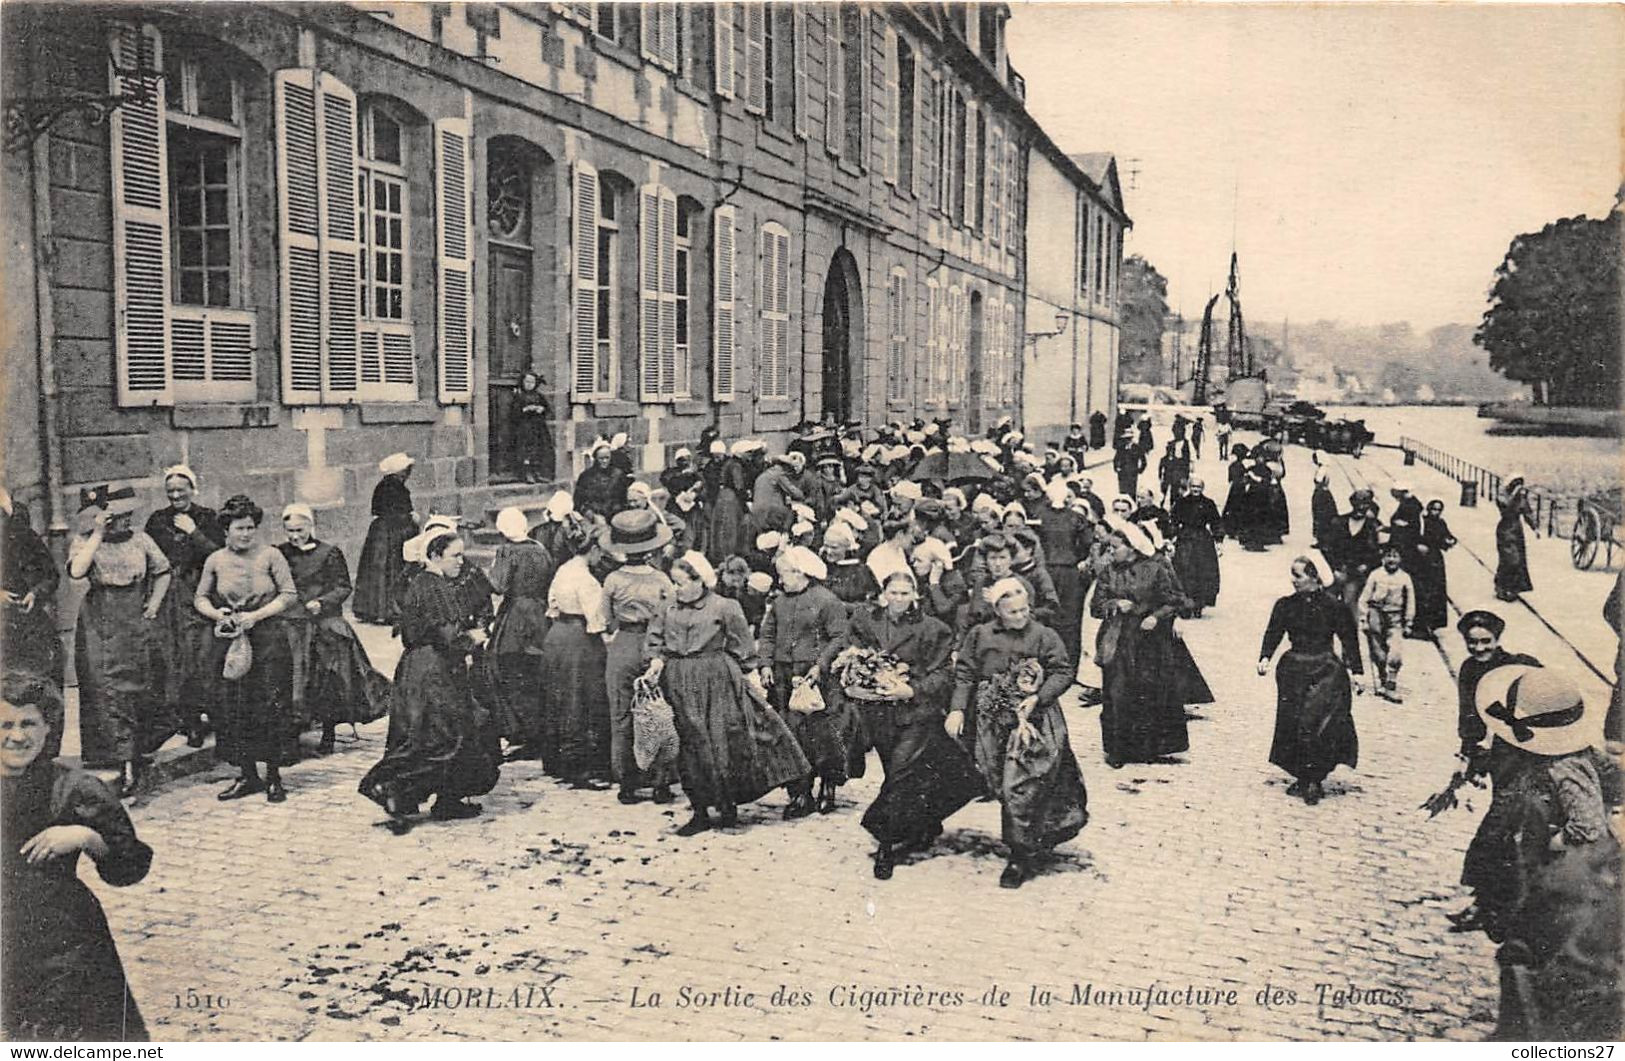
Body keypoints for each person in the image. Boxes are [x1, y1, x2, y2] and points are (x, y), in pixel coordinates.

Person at [1451, 661, 1621, 1040]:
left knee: (1541, 947)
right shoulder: (1546, 755)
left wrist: (1552, 842)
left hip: (1559, 876)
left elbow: (1589, 826)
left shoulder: (1566, 767)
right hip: (1533, 867)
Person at [1, 676, 152, 1041]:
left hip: (66, 945)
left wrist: (85, 837)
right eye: (6, 724)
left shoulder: (73, 788)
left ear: (48, 727)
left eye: (29, 724)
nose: (17, 737)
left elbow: (129, 864)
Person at [642, 552, 810, 835]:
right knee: (689, 746)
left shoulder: (726, 607)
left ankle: (727, 802)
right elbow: (655, 641)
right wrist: (655, 664)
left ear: (700, 581)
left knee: (721, 744)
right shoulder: (666, 607)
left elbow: (744, 647)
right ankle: (699, 810)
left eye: (681, 582)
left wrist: (751, 679)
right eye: (674, 582)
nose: (675, 588)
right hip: (678, 681)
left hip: (717, 681)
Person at [358, 530, 500, 833]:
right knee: (442, 737)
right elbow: (448, 636)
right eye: (455, 555)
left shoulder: (422, 582)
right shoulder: (434, 587)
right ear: (435, 556)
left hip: (420, 667)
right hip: (433, 671)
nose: (461, 562)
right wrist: (473, 638)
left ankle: (446, 800)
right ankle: (391, 787)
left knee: (437, 733)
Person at [949, 580, 1087, 888]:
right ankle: (1033, 837)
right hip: (991, 721)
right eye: (1012, 612)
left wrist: (1039, 696)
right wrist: (958, 709)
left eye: (1025, 609)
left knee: (1018, 787)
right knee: (1000, 783)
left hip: (1033, 721)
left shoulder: (1044, 635)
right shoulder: (980, 635)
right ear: (997, 610)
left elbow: (1063, 671)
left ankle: (1019, 856)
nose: (1021, 616)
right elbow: (965, 673)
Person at [850, 570, 981, 880]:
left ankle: (886, 845)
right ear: (883, 593)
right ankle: (924, 823)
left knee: (899, 774)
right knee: (898, 774)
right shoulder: (867, 620)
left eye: (905, 594)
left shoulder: (932, 629)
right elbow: (851, 650)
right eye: (893, 593)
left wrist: (911, 690)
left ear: (915, 596)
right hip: (877, 713)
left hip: (916, 715)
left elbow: (943, 675)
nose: (898, 599)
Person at [67, 486, 172, 798]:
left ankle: (136, 754)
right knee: (107, 689)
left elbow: (163, 570)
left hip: (135, 621)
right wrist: (97, 534)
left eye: (129, 515)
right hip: (99, 621)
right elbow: (76, 571)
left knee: (139, 686)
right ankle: (121, 761)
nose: (127, 521)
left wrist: (153, 603)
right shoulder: (87, 541)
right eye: (119, 516)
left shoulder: (140, 539)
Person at [194, 495, 299, 803]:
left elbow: (289, 594)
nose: (245, 534)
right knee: (234, 709)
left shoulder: (271, 556)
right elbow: (200, 598)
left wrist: (257, 616)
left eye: (250, 528)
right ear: (226, 530)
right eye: (239, 528)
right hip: (230, 640)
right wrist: (219, 614)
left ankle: (274, 777)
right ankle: (247, 775)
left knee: (270, 705)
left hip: (268, 639)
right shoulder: (215, 560)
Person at [1090, 519, 1202, 768]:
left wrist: (1155, 616)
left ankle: (1147, 748)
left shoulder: (1154, 568)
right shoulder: (1108, 572)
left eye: (1115, 547)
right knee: (1116, 692)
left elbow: (1174, 600)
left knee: (1148, 692)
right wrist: (1114, 604)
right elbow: (1095, 606)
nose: (1111, 552)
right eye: (1109, 548)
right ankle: (1117, 750)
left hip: (1149, 640)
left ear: (1131, 547)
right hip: (1118, 638)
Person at [277, 504, 388, 756]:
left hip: (322, 622)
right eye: (289, 530)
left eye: (300, 530)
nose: (295, 536)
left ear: (310, 527)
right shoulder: (279, 553)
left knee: (330, 679)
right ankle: (293, 734)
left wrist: (323, 602)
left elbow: (342, 587)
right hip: (292, 623)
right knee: (293, 681)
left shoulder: (329, 553)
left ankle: (329, 731)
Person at [1257, 556, 1365, 805]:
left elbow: (1349, 638)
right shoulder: (1285, 605)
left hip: (1325, 669)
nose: (1293, 580)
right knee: (1293, 723)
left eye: (1298, 575)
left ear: (1314, 577)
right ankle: (1304, 775)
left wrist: (1357, 672)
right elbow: (1274, 631)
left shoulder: (1333, 606)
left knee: (1315, 723)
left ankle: (1314, 777)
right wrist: (1265, 656)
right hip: (1293, 670)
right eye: (1292, 574)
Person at [759, 547, 854, 818]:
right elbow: (767, 635)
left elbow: (839, 638)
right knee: (790, 735)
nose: (780, 581)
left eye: (784, 574)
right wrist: (765, 664)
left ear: (801, 573)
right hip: (784, 677)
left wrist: (820, 666)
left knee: (823, 736)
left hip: (817, 680)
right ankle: (799, 792)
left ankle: (828, 786)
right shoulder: (778, 602)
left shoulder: (827, 601)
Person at [143, 464, 224, 748]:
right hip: (169, 597)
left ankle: (211, 714)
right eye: (171, 491)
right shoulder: (157, 520)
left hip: (201, 593)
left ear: (192, 489)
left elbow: (218, 555)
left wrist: (193, 532)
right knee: (175, 658)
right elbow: (148, 556)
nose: (176, 495)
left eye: (181, 489)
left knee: (203, 657)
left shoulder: (207, 517)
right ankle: (188, 721)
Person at [600, 510, 676, 804]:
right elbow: (670, 616)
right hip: (654, 644)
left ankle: (627, 783)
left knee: (621, 714)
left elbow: (606, 620)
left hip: (623, 645)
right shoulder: (661, 580)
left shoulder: (612, 580)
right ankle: (661, 782)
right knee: (658, 711)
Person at [539, 515, 612, 787]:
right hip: (579, 640)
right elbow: (597, 620)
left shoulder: (563, 570)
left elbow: (553, 603)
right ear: (592, 550)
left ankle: (556, 759)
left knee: (559, 696)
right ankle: (580, 765)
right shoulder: (587, 580)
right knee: (581, 699)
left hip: (557, 636)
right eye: (600, 552)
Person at [485, 508, 556, 762]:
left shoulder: (507, 551)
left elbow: (498, 585)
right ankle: (537, 729)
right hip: (539, 611)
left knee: (507, 667)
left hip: (516, 615)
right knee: (535, 670)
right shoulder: (539, 548)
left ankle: (522, 729)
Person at [1, 492, 65, 745]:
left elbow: (51, 575)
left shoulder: (26, 538)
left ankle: (47, 754)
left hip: (31, 627)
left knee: (43, 690)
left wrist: (35, 594)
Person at [352, 453, 418, 624]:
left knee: (376, 569)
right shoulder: (397, 488)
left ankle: (371, 609)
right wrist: (412, 518)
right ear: (399, 472)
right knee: (391, 568)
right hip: (392, 533)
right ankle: (389, 610)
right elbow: (397, 513)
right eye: (406, 470)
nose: (408, 474)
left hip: (379, 532)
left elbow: (377, 511)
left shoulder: (382, 486)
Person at [1036, 480, 1092, 668]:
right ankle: (1068, 663)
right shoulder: (1076, 518)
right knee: (1069, 616)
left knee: (1046, 613)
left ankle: (1046, 661)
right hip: (1068, 570)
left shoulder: (1039, 515)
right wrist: (1076, 557)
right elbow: (1086, 543)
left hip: (1046, 568)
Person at [1358, 542, 1415, 702]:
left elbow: (1410, 601)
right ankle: (1383, 680)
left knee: (1395, 653)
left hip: (1395, 618)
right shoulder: (1375, 575)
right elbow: (1364, 598)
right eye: (1388, 556)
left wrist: (1408, 622)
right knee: (1379, 654)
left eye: (1395, 556)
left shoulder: (1405, 578)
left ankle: (1391, 685)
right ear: (1382, 558)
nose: (1391, 560)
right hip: (1376, 615)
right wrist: (1364, 619)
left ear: (1400, 559)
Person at [1170, 478, 1223, 616]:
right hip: (1185, 539)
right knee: (1184, 571)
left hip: (1202, 541)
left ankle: (1199, 604)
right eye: (1193, 486)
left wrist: (1218, 540)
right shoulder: (1181, 503)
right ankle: (1184, 605)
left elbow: (1216, 522)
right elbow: (1173, 521)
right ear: (1189, 487)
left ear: (1202, 488)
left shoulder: (1208, 503)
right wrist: (1172, 537)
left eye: (1198, 487)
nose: (1195, 489)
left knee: (1203, 572)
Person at [1413, 499, 1457, 636]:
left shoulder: (1441, 523)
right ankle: (1421, 625)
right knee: (1424, 591)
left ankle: (1433, 623)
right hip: (1422, 560)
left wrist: (1450, 541)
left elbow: (1447, 536)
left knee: (1437, 591)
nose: (1436, 512)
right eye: (1434, 509)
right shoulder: (1421, 522)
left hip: (1436, 560)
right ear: (1428, 509)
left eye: (1439, 510)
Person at [1495, 474, 1536, 601]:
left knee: (1517, 561)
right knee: (1510, 559)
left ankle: (1511, 588)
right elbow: (1506, 509)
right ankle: (1502, 587)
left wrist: (1534, 527)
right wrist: (1515, 494)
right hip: (1505, 529)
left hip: (1517, 531)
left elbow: (1527, 512)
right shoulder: (1502, 496)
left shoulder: (1521, 498)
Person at [510, 372, 555, 483]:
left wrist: (541, 409)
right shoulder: (519, 396)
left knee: (538, 448)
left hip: (538, 427)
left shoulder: (539, 396)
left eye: (532, 382)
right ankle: (526, 473)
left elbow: (548, 410)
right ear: (522, 382)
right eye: (527, 382)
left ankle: (538, 473)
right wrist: (526, 409)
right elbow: (514, 413)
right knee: (526, 450)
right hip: (524, 427)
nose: (529, 384)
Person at [575, 440, 629, 520]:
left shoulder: (619, 475)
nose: (604, 461)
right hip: (594, 519)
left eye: (607, 458)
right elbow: (578, 502)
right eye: (601, 458)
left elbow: (624, 500)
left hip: (615, 518)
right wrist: (591, 515)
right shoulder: (586, 476)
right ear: (595, 458)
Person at [1112, 433, 1145, 499]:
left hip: (1132, 472)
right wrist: (1116, 468)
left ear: (1131, 439)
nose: (1127, 441)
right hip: (1122, 472)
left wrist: (1140, 470)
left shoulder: (1137, 448)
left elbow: (1143, 460)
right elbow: (1116, 459)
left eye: (1128, 439)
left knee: (1132, 490)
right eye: (1125, 439)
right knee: (1122, 490)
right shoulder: (1121, 448)